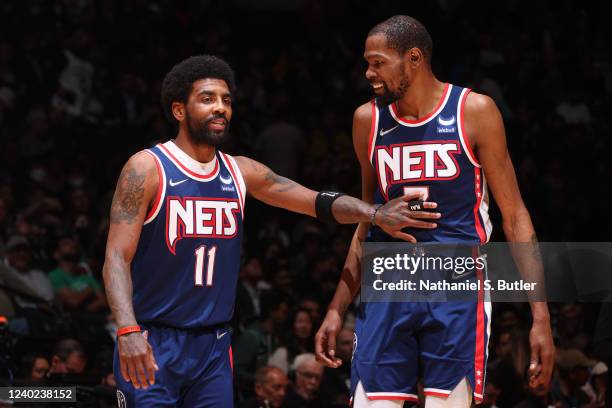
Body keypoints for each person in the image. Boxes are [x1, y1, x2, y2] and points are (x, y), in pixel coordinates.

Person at [103, 54, 423, 407]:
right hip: (153, 338)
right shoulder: (147, 167)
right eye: (207, 99)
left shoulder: (240, 171)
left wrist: (375, 213)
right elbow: (117, 256)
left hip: (213, 345)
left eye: (226, 100)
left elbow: (316, 202)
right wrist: (127, 329)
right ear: (179, 110)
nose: (220, 108)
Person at [315, 15, 555, 407]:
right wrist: (336, 307)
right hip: (388, 283)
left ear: (413, 58)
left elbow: (514, 216)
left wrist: (541, 317)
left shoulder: (474, 110)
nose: (368, 73)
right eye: (367, 62)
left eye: (377, 62)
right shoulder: (366, 120)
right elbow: (366, 220)